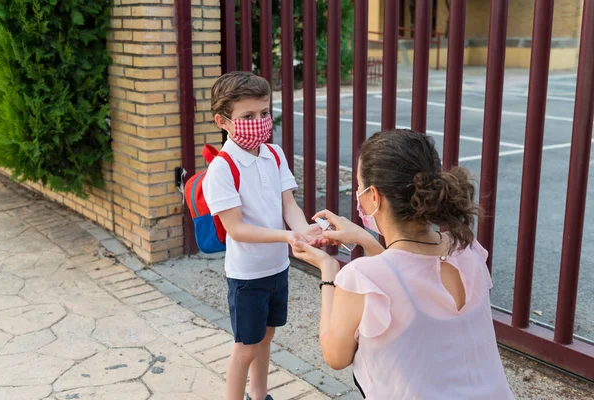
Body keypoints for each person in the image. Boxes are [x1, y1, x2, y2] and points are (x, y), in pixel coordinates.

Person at [293, 129, 514, 399]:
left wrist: (329, 271)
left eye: (359, 186)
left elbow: (336, 356)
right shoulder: (468, 251)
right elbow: (406, 274)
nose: (358, 194)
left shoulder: (361, 276)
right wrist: (368, 240)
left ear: (374, 196)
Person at [203, 71, 321, 400]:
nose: (259, 122)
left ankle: (260, 395)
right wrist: (287, 238)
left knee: (267, 337)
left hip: (276, 269)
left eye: (264, 113)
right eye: (248, 116)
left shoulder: (275, 154)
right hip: (247, 276)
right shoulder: (222, 168)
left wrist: (303, 231)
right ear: (223, 121)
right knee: (245, 347)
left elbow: (289, 205)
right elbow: (236, 229)